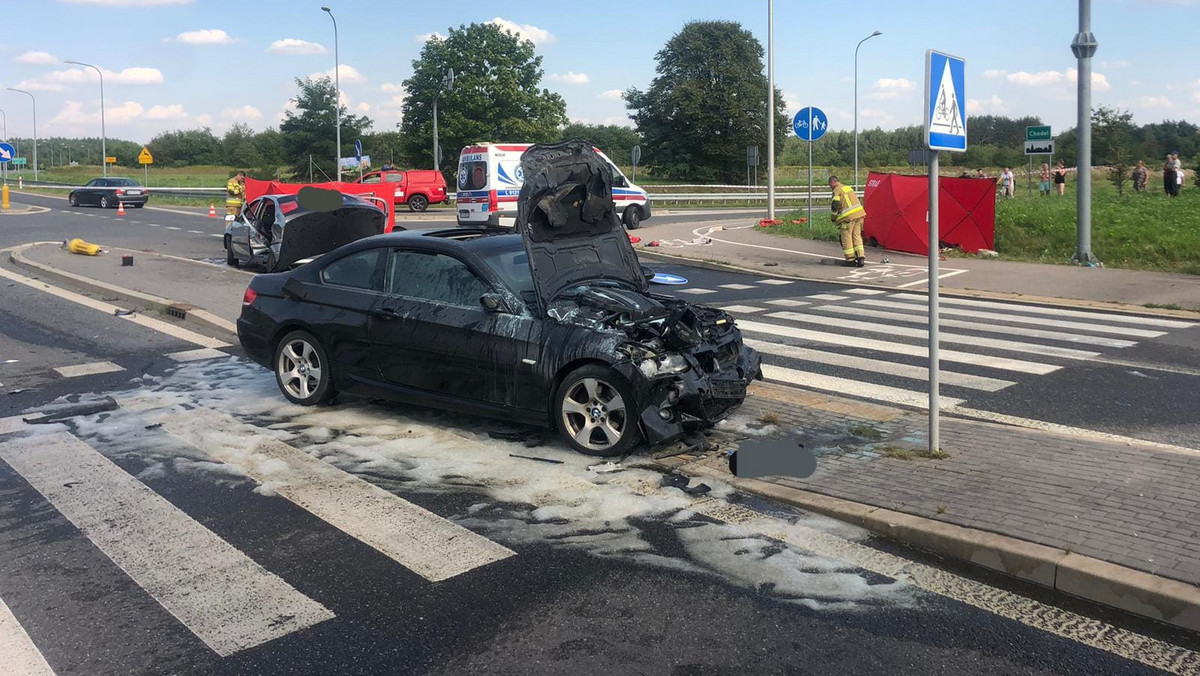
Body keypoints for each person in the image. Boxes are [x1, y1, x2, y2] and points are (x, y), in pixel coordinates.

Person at [828, 175, 867, 267]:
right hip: (859, 215)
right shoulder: (847, 188)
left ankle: (850, 260)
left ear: (832, 182)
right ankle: (861, 257)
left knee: (846, 237)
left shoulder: (836, 190)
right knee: (856, 236)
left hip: (847, 219)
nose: (830, 187)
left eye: (830, 184)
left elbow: (835, 205)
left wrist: (833, 217)